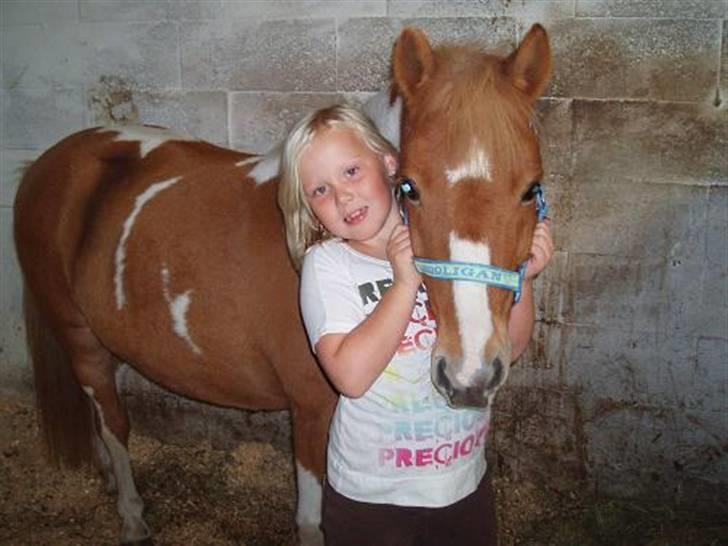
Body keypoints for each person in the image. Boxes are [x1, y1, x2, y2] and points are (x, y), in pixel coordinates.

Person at [278, 104, 554, 546]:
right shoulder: (327, 265)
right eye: (320, 190)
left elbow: (513, 346)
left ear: (389, 164)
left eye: (351, 172)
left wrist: (524, 276)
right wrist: (404, 283)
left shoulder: (443, 242)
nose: (343, 196)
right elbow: (349, 377)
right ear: (310, 211)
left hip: (463, 482)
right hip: (372, 499)